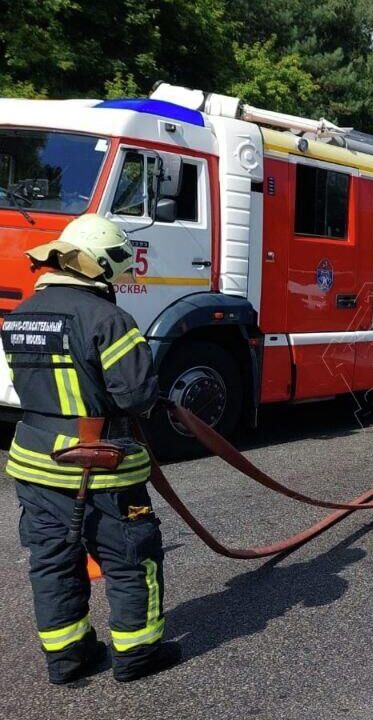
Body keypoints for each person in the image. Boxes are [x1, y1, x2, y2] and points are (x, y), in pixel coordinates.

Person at [2, 215, 180, 684]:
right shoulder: (110, 320)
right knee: (130, 559)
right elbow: (137, 397)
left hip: (35, 466)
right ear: (102, 265)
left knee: (53, 562)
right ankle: (138, 654)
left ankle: (68, 657)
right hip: (102, 469)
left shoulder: (19, 316)